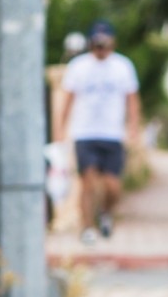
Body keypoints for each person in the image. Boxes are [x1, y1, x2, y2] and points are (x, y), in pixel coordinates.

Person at [56, 20, 140, 245]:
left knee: (113, 186)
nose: (101, 47)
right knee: (88, 182)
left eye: (105, 43)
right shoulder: (78, 66)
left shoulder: (123, 66)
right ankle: (87, 227)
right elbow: (67, 99)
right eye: (97, 43)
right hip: (85, 132)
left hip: (112, 134)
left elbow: (132, 100)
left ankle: (105, 213)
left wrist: (133, 128)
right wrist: (60, 130)